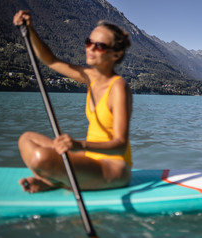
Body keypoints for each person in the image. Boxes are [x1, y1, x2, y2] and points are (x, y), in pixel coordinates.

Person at [13, 10, 133, 193]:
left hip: (113, 166)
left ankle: (54, 181)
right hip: (88, 157)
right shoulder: (90, 77)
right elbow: (50, 60)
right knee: (26, 139)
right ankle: (57, 180)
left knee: (40, 158)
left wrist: (79, 145)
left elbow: (120, 145)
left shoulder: (118, 88)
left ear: (115, 54)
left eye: (99, 46)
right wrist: (30, 30)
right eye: (89, 42)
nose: (91, 48)